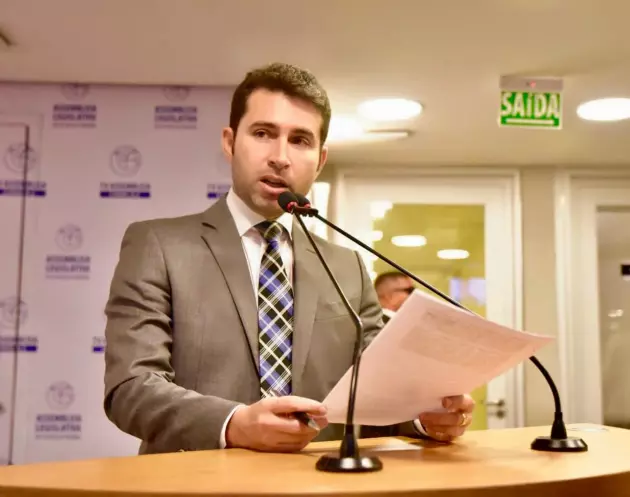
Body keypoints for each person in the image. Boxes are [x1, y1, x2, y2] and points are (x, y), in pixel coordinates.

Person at [103, 62, 474, 454]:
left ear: (320, 159)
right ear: (230, 142)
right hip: (198, 477)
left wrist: (426, 415)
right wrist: (233, 424)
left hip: (321, 478)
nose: (280, 157)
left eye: (300, 140)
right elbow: (130, 388)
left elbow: (374, 395)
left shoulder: (347, 268)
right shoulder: (159, 246)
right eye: (263, 133)